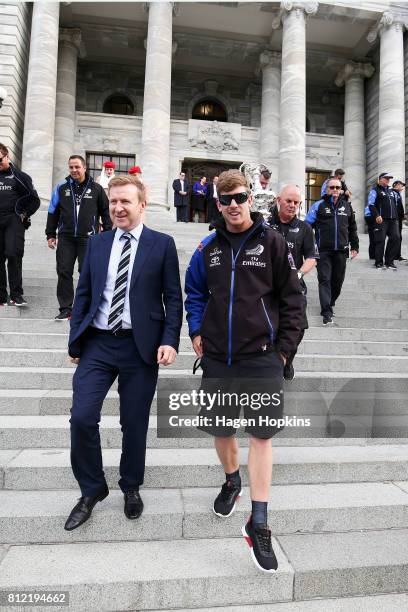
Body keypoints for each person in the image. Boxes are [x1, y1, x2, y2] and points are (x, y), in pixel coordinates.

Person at [185, 169, 303, 572]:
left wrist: (284, 353)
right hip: (218, 356)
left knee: (261, 435)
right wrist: (196, 330)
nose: (232, 205)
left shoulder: (273, 242)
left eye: (238, 197)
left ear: (250, 198)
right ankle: (232, 478)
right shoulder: (208, 246)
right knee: (221, 430)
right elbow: (195, 292)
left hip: (262, 357)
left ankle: (260, 521)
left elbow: (293, 301)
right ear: (216, 203)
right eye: (225, 199)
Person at [65, 175, 183, 531]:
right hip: (99, 343)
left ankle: (131, 485)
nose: (117, 208)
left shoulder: (162, 244)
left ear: (142, 205)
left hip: (140, 345)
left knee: (134, 423)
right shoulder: (97, 243)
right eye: (113, 201)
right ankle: (91, 488)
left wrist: (169, 340)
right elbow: (83, 293)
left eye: (125, 202)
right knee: (82, 417)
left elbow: (173, 298)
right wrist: (75, 340)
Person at [46, 155, 112, 321]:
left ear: (84, 168)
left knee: (86, 272)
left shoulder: (96, 189)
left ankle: (84, 308)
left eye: (77, 167)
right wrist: (50, 234)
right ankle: (66, 309)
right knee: (64, 272)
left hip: (89, 239)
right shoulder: (61, 188)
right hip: (66, 237)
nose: (74, 170)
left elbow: (106, 212)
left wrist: (107, 234)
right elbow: (53, 212)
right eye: (71, 167)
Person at [268, 184, 318, 380]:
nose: (292, 205)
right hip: (268, 287)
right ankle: (273, 361)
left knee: (298, 327)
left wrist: (298, 274)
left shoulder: (305, 228)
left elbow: (312, 257)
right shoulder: (264, 224)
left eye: (296, 202)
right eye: (288, 201)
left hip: (293, 288)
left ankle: (288, 359)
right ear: (278, 200)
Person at [306, 177, 359, 325]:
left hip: (341, 251)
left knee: (337, 282)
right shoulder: (318, 206)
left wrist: (355, 246)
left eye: (337, 187)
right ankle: (326, 312)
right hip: (323, 251)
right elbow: (307, 226)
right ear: (327, 189)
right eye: (332, 187)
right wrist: (307, 245)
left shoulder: (347, 207)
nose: (335, 190)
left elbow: (353, 228)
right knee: (324, 280)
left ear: (341, 189)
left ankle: (330, 301)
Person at [0, 142, 40, 307]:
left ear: (7, 156)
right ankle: (2, 297)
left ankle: (17, 295)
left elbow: (34, 200)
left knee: (13, 254)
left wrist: (24, 214)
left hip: (13, 220)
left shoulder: (20, 176)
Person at [367, 172, 399, 270]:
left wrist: (397, 217)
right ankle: (379, 262)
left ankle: (389, 262)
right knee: (380, 240)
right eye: (386, 178)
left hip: (393, 220)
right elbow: (371, 204)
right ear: (380, 179)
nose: (388, 180)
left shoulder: (391, 192)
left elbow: (395, 206)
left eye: (389, 178)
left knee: (396, 238)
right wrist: (376, 215)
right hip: (381, 220)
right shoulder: (374, 190)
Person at [391, 180, 406, 261]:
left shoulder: (398, 194)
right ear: (396, 185)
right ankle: (394, 255)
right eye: (401, 185)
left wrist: (402, 215)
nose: (402, 187)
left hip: (399, 219)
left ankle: (397, 255)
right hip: (395, 219)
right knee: (396, 237)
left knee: (399, 237)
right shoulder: (392, 193)